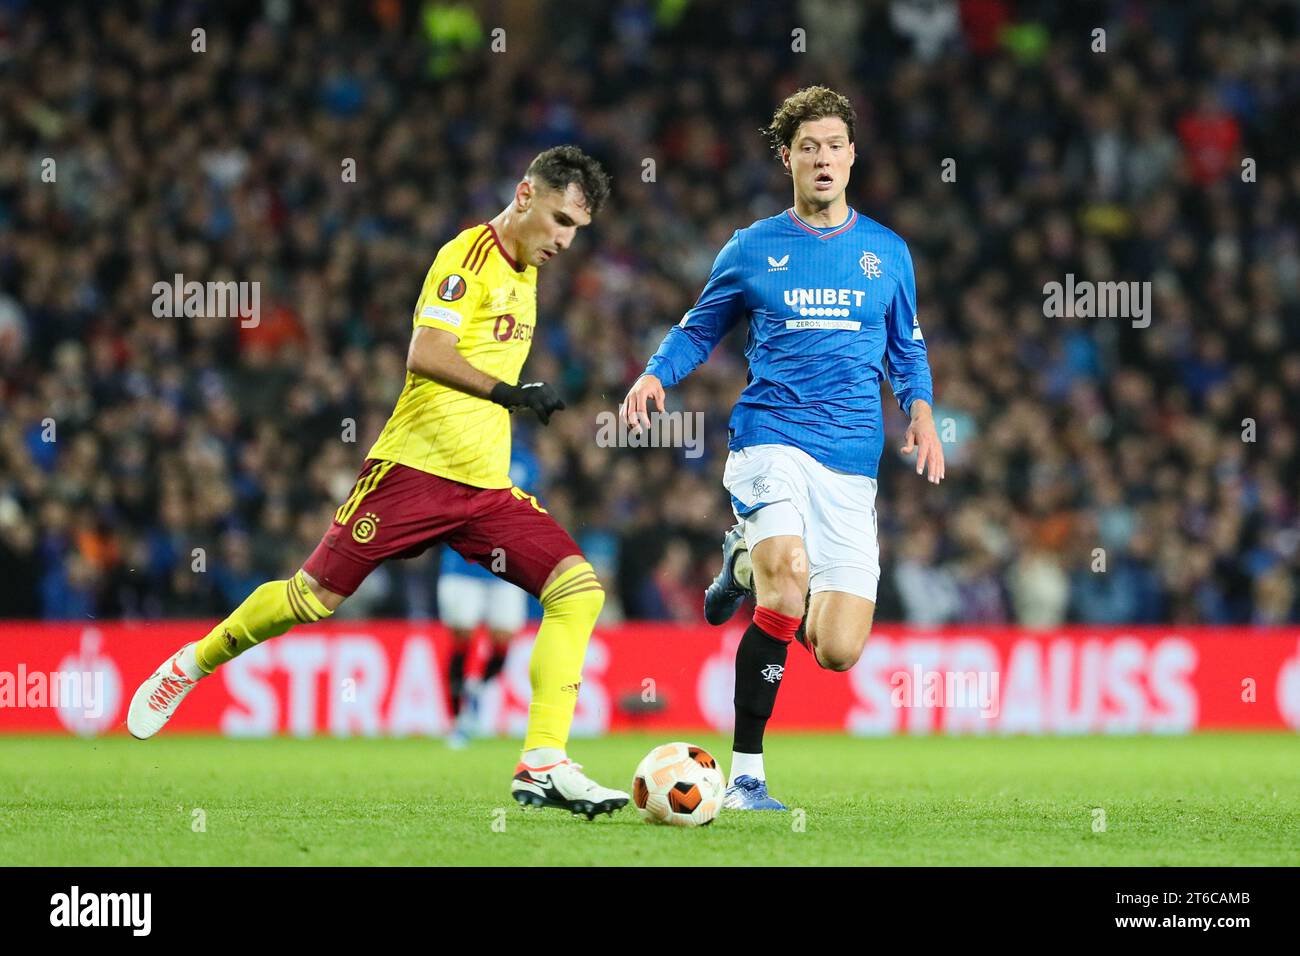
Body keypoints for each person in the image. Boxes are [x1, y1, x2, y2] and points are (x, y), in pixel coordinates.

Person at [128, 146, 629, 819]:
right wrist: (508, 394)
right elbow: (425, 352)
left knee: (578, 589)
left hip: (483, 489)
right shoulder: (468, 257)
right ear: (526, 194)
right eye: (562, 221)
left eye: (577, 231)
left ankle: (543, 761)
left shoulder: (529, 270)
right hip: (412, 474)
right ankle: (194, 663)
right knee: (311, 599)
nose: (566, 242)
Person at [621, 87, 945, 809]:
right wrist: (653, 375)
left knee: (837, 649)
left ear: (853, 155)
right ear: (787, 159)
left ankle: (740, 562)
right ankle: (747, 776)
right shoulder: (753, 247)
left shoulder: (887, 253)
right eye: (808, 147)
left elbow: (908, 350)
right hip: (772, 440)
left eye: (834, 144)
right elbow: (699, 328)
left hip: (853, 463)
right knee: (790, 577)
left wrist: (920, 412)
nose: (822, 157)